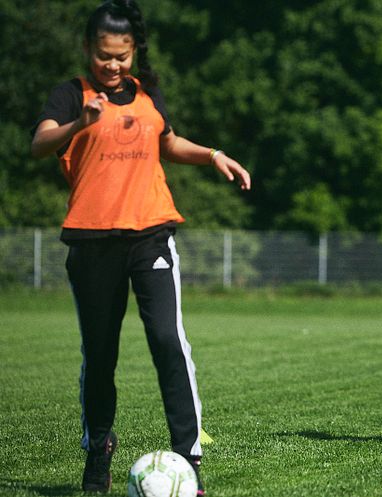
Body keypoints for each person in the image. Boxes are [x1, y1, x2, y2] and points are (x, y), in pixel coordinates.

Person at [30, 0, 251, 493]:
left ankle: (188, 459)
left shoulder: (148, 93)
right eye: (104, 55)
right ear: (90, 49)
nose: (113, 66)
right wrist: (79, 123)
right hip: (91, 241)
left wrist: (213, 155)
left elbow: (167, 142)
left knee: (169, 343)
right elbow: (40, 143)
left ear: (134, 52)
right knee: (101, 354)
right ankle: (98, 450)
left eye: (122, 56)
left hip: (150, 232)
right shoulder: (71, 95)